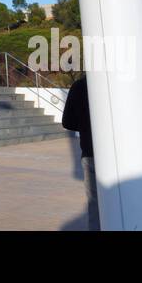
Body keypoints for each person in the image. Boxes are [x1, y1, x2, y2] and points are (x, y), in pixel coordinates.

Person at [61, 74, 98, 230]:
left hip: (91, 153)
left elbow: (68, 122)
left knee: (95, 204)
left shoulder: (80, 86)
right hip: (123, 155)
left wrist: (84, 124)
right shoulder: (121, 84)